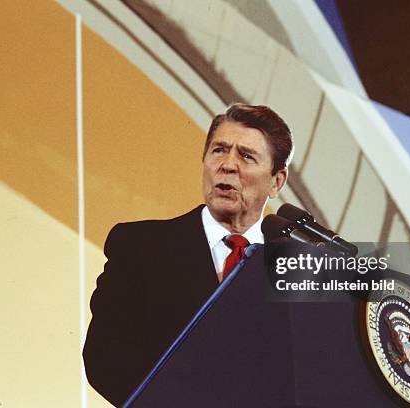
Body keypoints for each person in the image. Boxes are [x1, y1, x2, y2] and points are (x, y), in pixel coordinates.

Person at [83, 103, 292, 406]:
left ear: (276, 181)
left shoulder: (296, 269)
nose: (228, 165)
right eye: (219, 150)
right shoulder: (141, 246)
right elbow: (106, 358)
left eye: (246, 156)